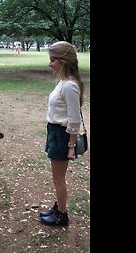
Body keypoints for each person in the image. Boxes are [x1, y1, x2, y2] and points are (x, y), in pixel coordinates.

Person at [39, 41, 85, 226]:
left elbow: (74, 119)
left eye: (52, 60)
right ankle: (58, 208)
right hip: (55, 132)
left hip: (62, 135)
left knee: (59, 178)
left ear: (63, 61)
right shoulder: (63, 82)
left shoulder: (69, 86)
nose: (49, 64)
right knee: (57, 177)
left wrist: (71, 146)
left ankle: (61, 215)